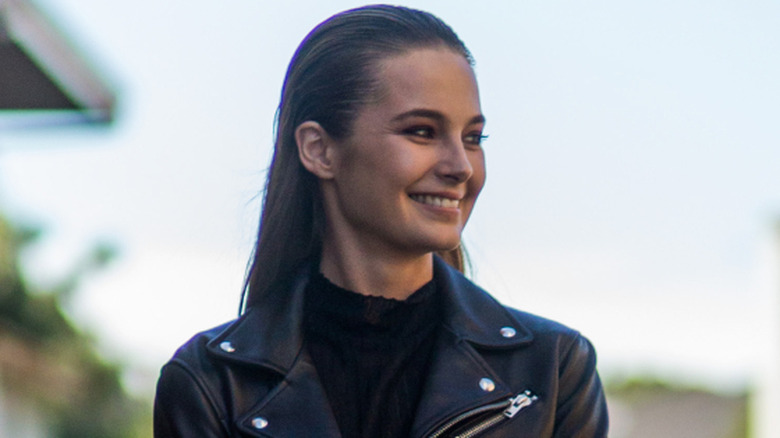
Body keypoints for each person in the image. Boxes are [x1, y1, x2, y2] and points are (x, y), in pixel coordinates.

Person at [153, 5, 608, 437]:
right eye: (422, 132)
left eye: (473, 137)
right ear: (319, 149)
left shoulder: (551, 370)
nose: (461, 166)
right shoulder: (211, 385)